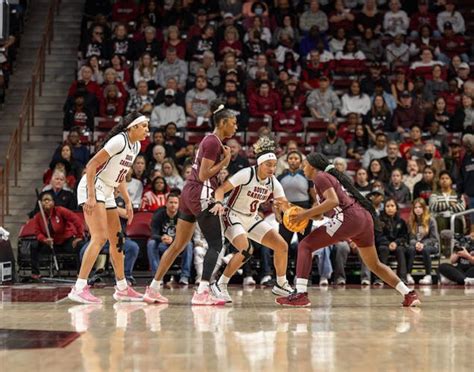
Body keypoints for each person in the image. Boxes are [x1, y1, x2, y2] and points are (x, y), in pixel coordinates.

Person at [275, 153, 420, 307]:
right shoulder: (325, 180)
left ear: (312, 165)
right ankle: (408, 293)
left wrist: (304, 214)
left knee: (305, 245)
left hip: (348, 217)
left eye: (304, 165)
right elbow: (318, 214)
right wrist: (290, 209)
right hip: (362, 218)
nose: (303, 168)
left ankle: (300, 294)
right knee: (374, 264)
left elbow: (333, 201)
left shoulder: (320, 177)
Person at [142, 101, 237, 305]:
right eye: (233, 123)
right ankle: (202, 292)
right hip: (200, 192)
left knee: (178, 244)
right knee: (216, 244)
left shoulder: (213, 141)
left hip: (190, 191)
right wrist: (224, 163)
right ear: (223, 123)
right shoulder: (212, 142)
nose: (236, 127)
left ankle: (153, 288)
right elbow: (204, 174)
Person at [68, 112, 149, 304]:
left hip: (108, 189)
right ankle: (78, 287)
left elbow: (119, 175)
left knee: (118, 240)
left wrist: (128, 201)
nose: (147, 130)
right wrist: (90, 196)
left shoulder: (135, 146)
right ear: (133, 128)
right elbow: (91, 165)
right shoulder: (119, 141)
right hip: (93, 186)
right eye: (144, 126)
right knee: (100, 237)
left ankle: (122, 287)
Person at [209, 137, 293, 303]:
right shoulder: (246, 174)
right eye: (268, 165)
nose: (272, 168)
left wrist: (294, 214)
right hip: (232, 214)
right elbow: (221, 189)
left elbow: (284, 204)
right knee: (246, 250)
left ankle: (281, 284)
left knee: (281, 246)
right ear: (260, 164)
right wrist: (218, 202)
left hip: (251, 218)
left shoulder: (273, 182)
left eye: (274, 165)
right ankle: (220, 284)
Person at [79, 191, 140, 284]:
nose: (116, 190)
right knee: (84, 250)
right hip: (101, 237)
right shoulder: (97, 199)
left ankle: (126, 276)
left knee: (133, 247)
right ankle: (89, 276)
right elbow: (87, 223)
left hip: (119, 237)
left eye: (117, 189)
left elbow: (127, 214)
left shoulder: (122, 200)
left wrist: (111, 207)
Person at [31, 191, 84, 281]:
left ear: (53, 202)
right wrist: (44, 240)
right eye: (44, 200)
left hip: (65, 241)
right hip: (50, 243)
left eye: (49, 200)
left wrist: (79, 236)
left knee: (80, 245)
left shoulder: (60, 210)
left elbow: (77, 220)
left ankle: (81, 274)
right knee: (34, 245)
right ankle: (35, 274)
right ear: (41, 203)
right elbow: (37, 232)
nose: (47, 202)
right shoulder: (38, 217)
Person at [147, 193, 193, 285]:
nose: (173, 205)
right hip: (162, 244)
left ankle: (184, 276)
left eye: (175, 203)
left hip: (178, 244)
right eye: (171, 202)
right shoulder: (159, 214)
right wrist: (161, 238)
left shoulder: (183, 215)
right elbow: (153, 234)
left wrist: (174, 239)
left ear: (179, 204)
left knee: (189, 244)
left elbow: (187, 234)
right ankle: (157, 277)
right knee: (151, 243)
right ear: (166, 204)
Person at [407, 198, 440, 285]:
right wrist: (416, 243)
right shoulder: (411, 221)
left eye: (420, 207)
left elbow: (434, 238)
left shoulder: (431, 220)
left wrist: (423, 244)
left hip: (431, 245)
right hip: (417, 245)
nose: (417, 209)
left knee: (425, 250)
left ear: (424, 208)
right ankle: (408, 275)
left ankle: (428, 276)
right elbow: (410, 238)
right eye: (415, 207)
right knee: (410, 249)